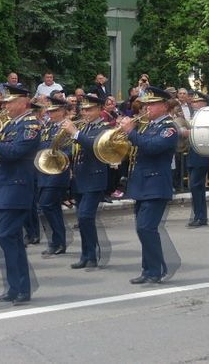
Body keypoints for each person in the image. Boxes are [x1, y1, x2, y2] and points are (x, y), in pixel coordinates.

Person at [0, 85, 41, 305]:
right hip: (3, 186)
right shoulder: (9, 125)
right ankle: (16, 287)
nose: (5, 105)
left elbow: (14, 152)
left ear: (24, 102)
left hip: (17, 186)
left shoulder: (30, 125)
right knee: (7, 238)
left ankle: (22, 287)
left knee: (7, 236)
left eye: (10, 102)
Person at [118, 86, 180, 284]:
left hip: (156, 184)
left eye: (151, 105)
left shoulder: (169, 128)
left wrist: (131, 132)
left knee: (146, 228)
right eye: (146, 105)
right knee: (142, 229)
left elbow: (152, 147)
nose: (147, 109)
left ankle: (156, 269)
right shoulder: (148, 125)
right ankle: (149, 269)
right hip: (142, 184)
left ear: (164, 106)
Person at [61, 94, 109, 270]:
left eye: (89, 109)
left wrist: (75, 132)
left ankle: (93, 254)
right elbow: (76, 149)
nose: (86, 113)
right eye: (84, 110)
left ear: (99, 109)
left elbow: (96, 146)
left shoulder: (103, 127)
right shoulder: (85, 127)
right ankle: (85, 255)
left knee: (85, 216)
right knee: (82, 220)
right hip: (80, 178)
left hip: (95, 177)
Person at [35, 96, 71, 257]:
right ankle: (56, 242)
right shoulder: (47, 127)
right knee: (50, 207)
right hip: (43, 172)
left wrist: (56, 156)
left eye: (54, 110)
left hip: (57, 172)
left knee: (47, 204)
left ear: (63, 111)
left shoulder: (67, 127)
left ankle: (58, 241)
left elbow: (70, 150)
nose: (50, 113)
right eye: (49, 110)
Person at [185, 91, 209, 227]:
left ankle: (200, 216)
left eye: (196, 102)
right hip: (192, 154)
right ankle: (200, 216)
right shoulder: (194, 115)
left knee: (196, 186)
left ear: (203, 103)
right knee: (196, 187)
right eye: (193, 102)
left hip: (201, 154)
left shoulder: (206, 116)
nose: (193, 104)